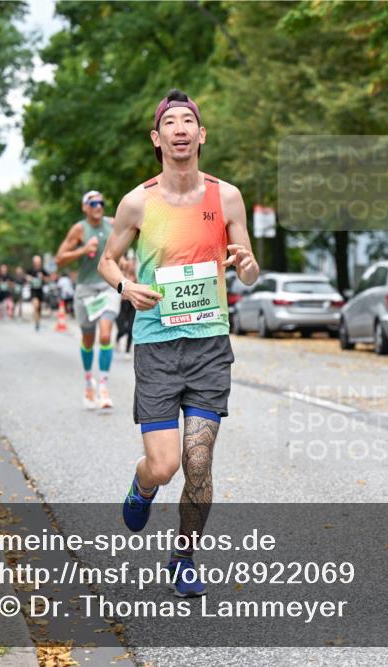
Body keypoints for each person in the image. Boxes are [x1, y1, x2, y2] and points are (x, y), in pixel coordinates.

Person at [99, 89, 259, 597]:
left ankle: (184, 556)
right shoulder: (137, 201)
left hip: (210, 344)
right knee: (166, 466)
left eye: (189, 119)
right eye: (171, 121)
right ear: (158, 138)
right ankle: (142, 485)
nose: (181, 127)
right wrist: (125, 287)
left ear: (201, 134)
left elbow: (248, 268)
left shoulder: (226, 196)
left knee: (198, 463)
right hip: (157, 345)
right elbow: (106, 260)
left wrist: (248, 268)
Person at [56, 190, 121, 410]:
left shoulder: (112, 223)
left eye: (101, 202)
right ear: (85, 207)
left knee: (105, 334)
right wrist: (83, 250)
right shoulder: (79, 229)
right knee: (87, 339)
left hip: (107, 287)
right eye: (93, 202)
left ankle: (103, 387)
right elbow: (60, 259)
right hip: (85, 289)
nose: (98, 205)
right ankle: (88, 382)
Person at [115, 257, 136, 358]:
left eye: (133, 264)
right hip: (122, 305)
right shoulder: (122, 275)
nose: (132, 266)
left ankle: (127, 351)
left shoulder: (137, 277)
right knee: (122, 328)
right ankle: (118, 338)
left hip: (133, 305)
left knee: (130, 329)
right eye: (130, 264)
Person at [26, 255, 48, 332]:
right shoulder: (31, 270)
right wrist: (30, 279)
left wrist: (43, 277)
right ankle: (36, 320)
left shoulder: (43, 270)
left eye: (39, 262)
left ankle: (38, 321)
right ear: (34, 262)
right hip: (33, 290)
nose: (38, 263)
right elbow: (26, 277)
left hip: (40, 291)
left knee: (39, 308)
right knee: (36, 305)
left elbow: (48, 279)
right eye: (36, 262)